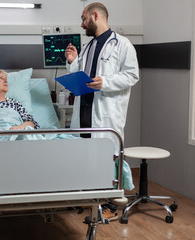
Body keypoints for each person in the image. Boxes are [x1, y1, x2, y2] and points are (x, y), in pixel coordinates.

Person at [65, 2, 139, 222]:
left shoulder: (122, 45)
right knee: (87, 156)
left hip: (106, 111)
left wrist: (105, 82)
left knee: (108, 157)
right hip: (85, 109)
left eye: (83, 19)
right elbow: (80, 74)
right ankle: (92, 200)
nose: (82, 24)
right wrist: (71, 63)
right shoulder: (88, 47)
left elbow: (132, 75)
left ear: (95, 16)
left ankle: (109, 205)